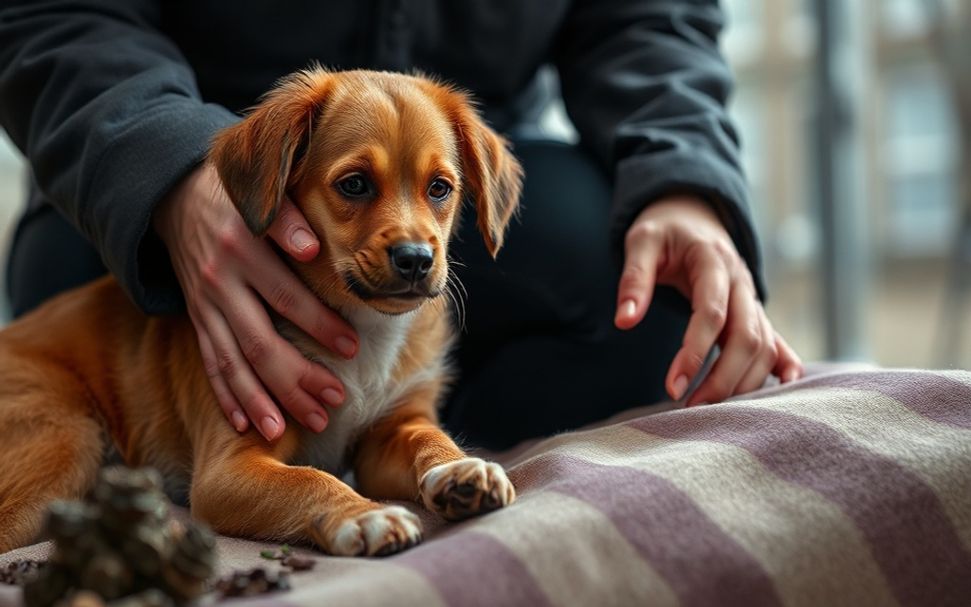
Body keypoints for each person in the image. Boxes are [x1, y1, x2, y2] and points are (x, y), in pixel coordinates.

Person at [0, 1, 802, 450]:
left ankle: (397, 431)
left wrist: (682, 179)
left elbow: (651, 16)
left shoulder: (455, 184)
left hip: (477, 150)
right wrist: (169, 170)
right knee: (80, 302)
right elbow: (50, 13)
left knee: (653, 304)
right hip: (135, 181)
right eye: (353, 185)